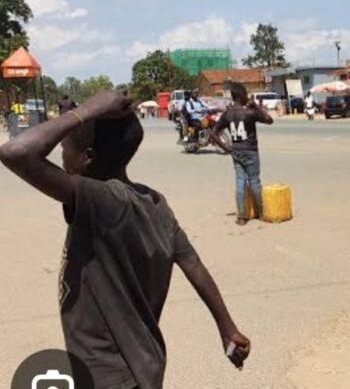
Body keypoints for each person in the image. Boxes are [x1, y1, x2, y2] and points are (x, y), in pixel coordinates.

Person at [0, 91, 250, 388]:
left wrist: (87, 111)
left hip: (108, 373)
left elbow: (15, 152)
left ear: (86, 159)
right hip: (145, 362)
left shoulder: (102, 199)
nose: (61, 155)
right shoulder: (154, 202)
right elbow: (193, 264)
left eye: (65, 148)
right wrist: (227, 327)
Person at [212, 83, 274, 225]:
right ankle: (262, 212)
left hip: (236, 151)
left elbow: (214, 133)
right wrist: (257, 106)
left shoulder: (227, 114)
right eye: (246, 94)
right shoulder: (249, 113)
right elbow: (269, 120)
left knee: (240, 181)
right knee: (254, 181)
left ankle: (241, 216)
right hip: (250, 151)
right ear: (241, 96)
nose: (247, 96)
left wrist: (227, 148)